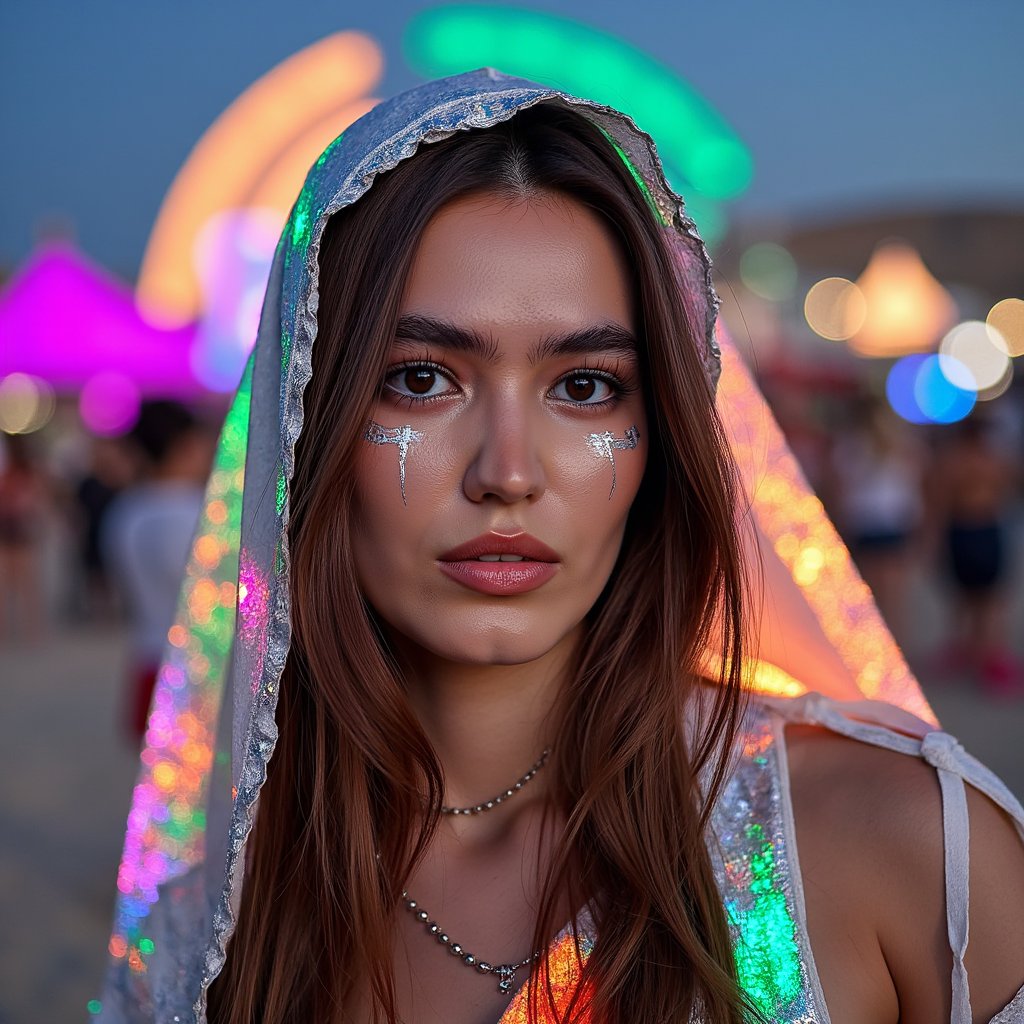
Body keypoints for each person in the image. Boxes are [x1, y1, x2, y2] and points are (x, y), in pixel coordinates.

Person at [99, 71, 1024, 1024]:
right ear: (306, 422)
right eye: (420, 379)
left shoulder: (904, 849)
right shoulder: (208, 938)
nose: (508, 473)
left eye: (584, 387)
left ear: (663, 434)